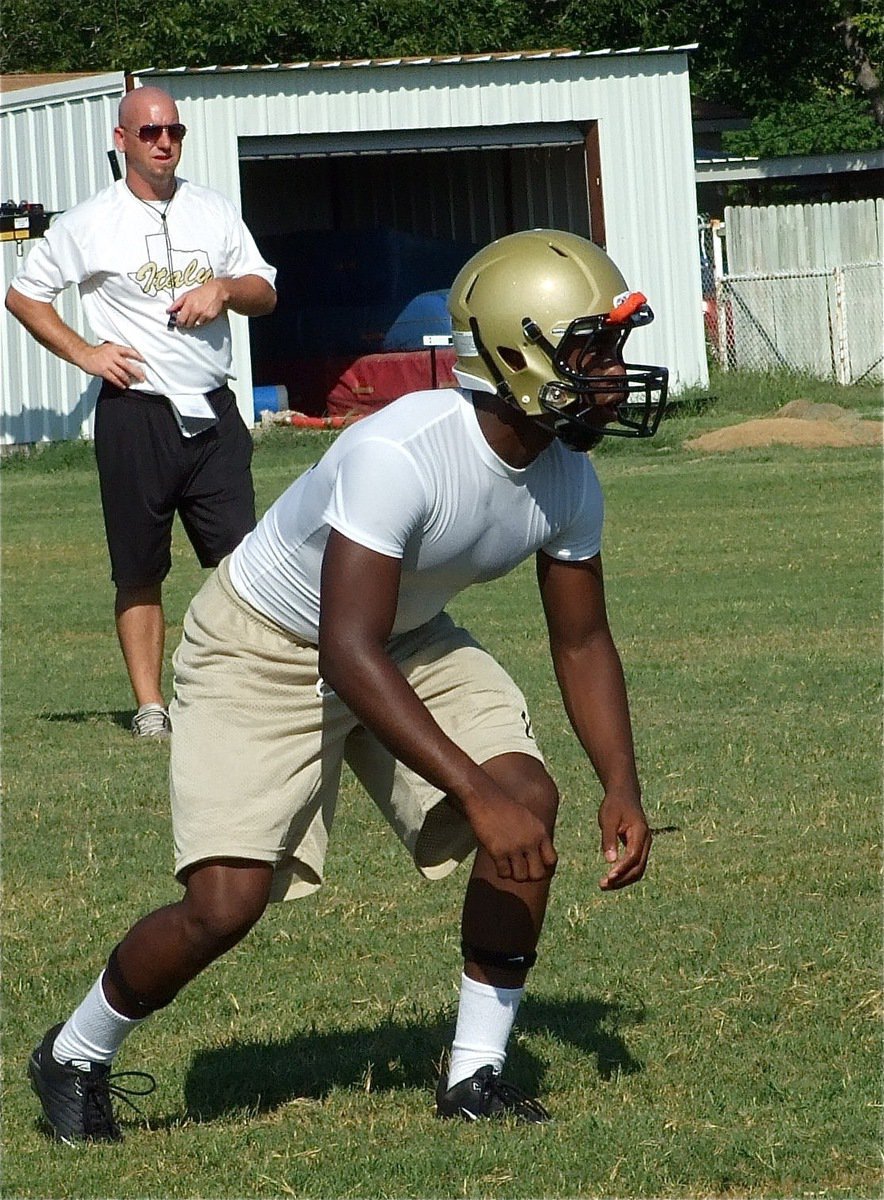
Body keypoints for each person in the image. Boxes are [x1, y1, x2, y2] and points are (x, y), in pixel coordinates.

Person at [26, 229, 669, 1142]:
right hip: (266, 644)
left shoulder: (568, 476)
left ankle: (475, 1077)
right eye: (592, 351)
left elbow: (583, 639)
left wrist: (620, 783)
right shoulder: (399, 452)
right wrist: (471, 793)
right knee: (224, 904)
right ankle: (74, 1053)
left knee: (529, 802)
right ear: (515, 353)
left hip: (396, 637)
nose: (612, 373)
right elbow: (344, 655)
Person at [5, 86, 277, 738]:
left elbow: (264, 290)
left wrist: (224, 289)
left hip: (212, 411)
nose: (164, 142)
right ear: (121, 140)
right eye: (150, 131)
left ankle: (249, 693)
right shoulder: (90, 222)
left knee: (245, 565)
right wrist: (86, 353)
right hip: (136, 413)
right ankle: (151, 708)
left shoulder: (212, 209)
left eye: (174, 131)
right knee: (138, 568)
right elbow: (25, 295)